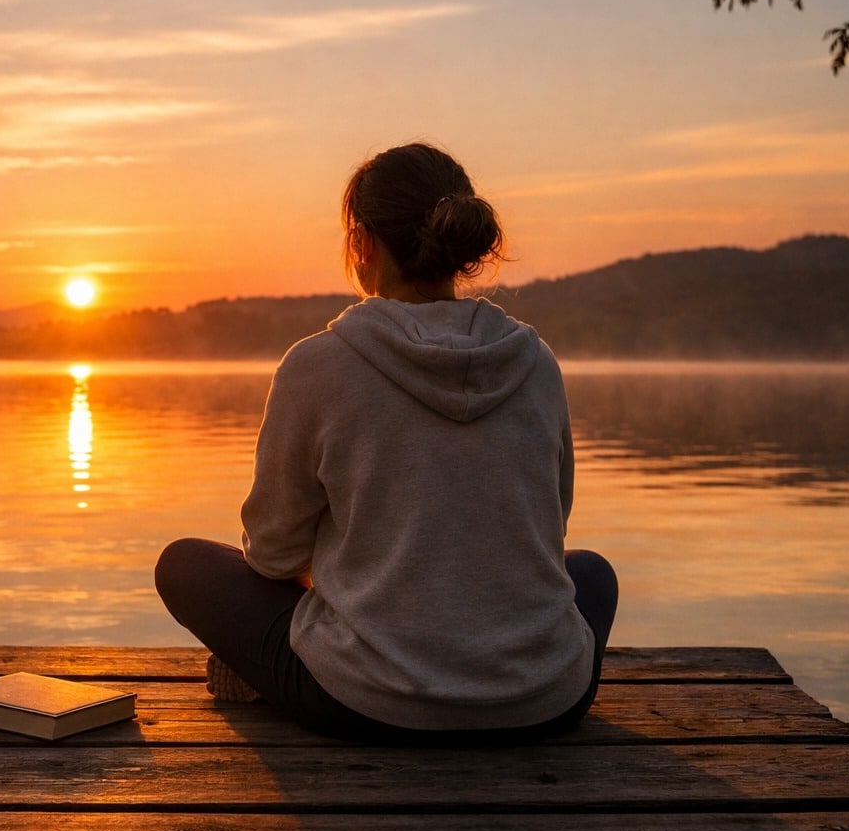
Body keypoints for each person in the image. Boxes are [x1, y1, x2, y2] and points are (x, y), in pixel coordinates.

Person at [155, 142, 618, 743]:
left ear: (365, 243)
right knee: (592, 574)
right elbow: (548, 531)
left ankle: (275, 670)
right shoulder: (536, 362)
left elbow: (272, 555)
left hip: (366, 704)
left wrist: (351, 588)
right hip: (546, 702)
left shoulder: (317, 365)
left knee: (184, 565)